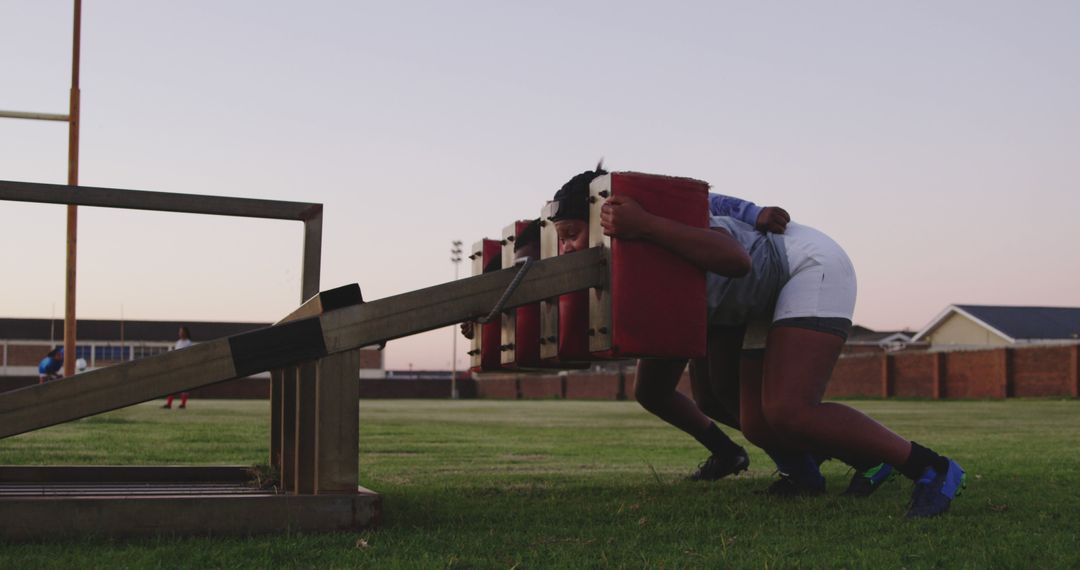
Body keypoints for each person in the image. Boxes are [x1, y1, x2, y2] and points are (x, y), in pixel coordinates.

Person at [570, 165, 965, 518]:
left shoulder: (656, 223)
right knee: (751, 418)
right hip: (755, 296)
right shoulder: (622, 255)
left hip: (802, 266)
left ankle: (932, 468)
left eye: (571, 234)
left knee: (790, 409)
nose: (567, 248)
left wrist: (647, 225)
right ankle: (828, 468)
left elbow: (737, 260)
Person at [163, 326, 192, 409]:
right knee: (172, 385)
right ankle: (169, 404)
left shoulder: (188, 343)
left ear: (186, 332)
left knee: (184, 386)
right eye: (179, 331)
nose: (180, 333)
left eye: (181, 331)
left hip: (185, 367)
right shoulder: (178, 342)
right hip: (177, 367)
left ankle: (183, 404)